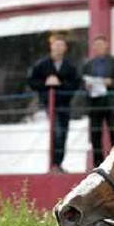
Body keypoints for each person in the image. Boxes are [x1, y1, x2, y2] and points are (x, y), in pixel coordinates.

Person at [27, 35, 80, 173]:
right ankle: (53, 164)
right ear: (51, 47)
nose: (58, 48)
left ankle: (58, 164)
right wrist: (46, 83)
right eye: (55, 45)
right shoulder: (42, 64)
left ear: (65, 48)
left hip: (64, 104)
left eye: (61, 45)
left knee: (64, 134)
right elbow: (32, 82)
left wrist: (60, 83)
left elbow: (75, 84)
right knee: (56, 132)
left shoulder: (70, 66)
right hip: (49, 104)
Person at [81, 35, 114, 167]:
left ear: (107, 46)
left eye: (101, 44)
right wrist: (86, 86)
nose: (98, 47)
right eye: (96, 45)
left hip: (111, 102)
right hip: (94, 103)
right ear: (93, 48)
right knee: (95, 135)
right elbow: (82, 83)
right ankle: (98, 164)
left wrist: (111, 82)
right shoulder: (88, 64)